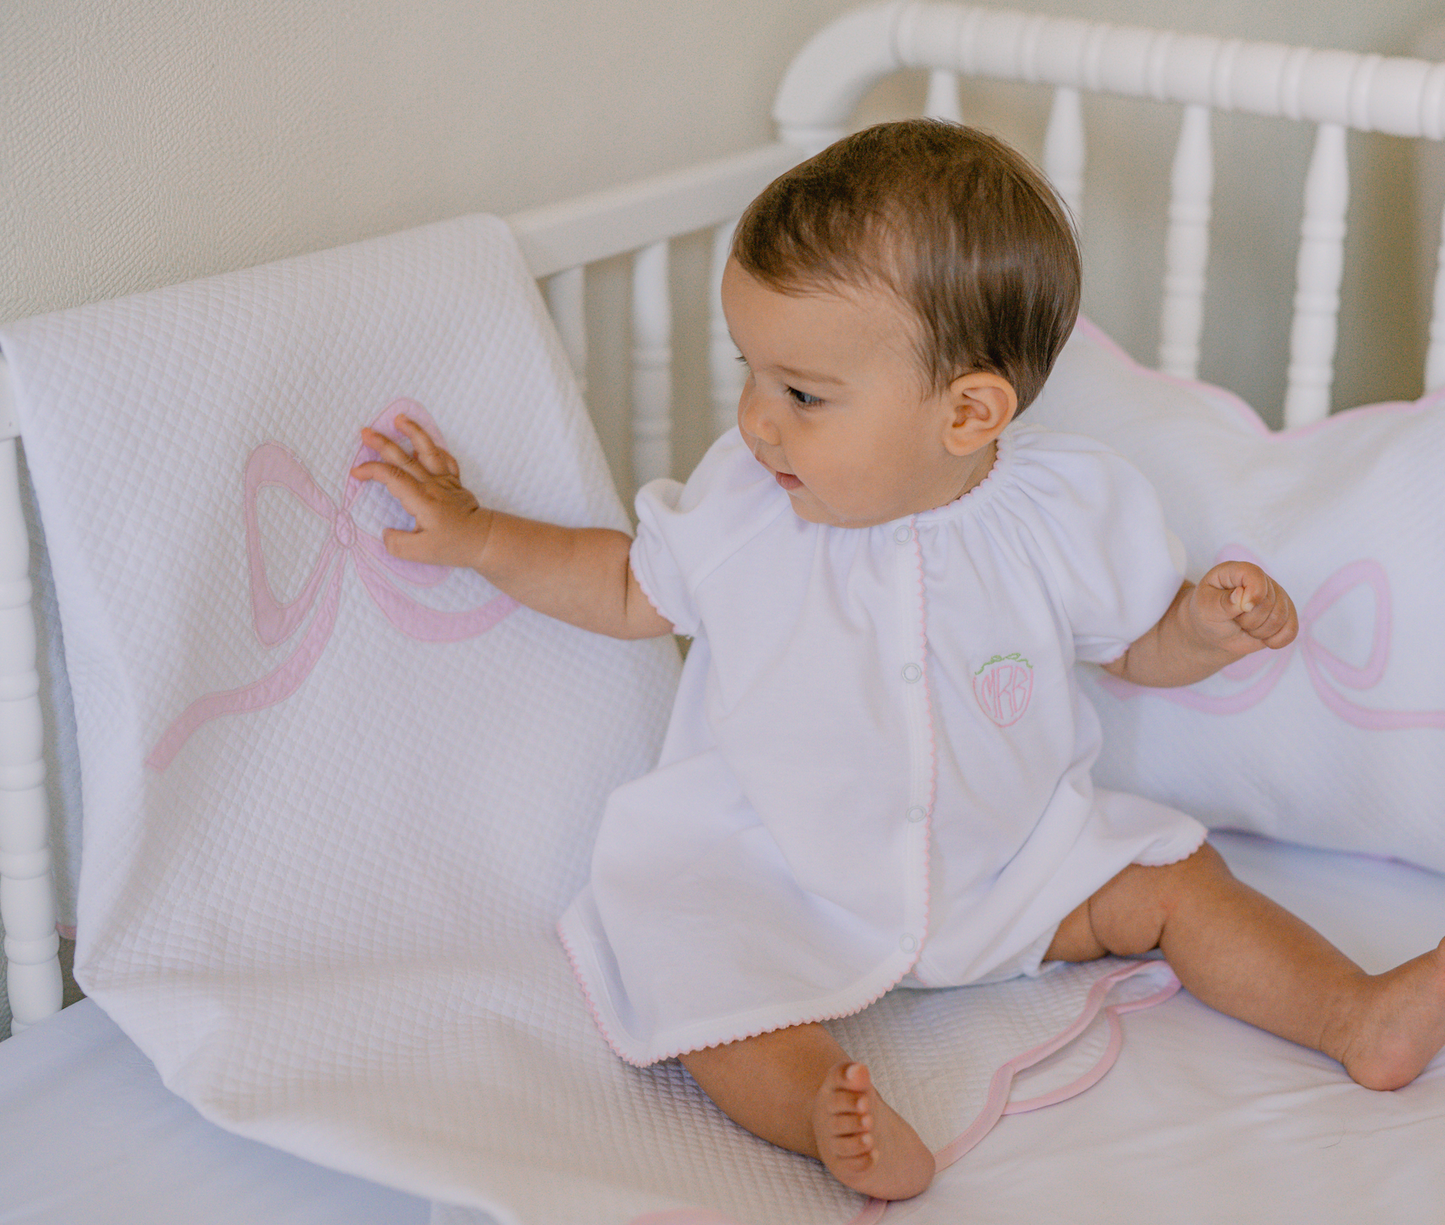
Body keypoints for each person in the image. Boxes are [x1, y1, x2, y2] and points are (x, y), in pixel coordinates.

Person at [352, 119, 1445, 1203]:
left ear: (968, 411)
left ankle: (1354, 1014)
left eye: (801, 394)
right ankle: (825, 1112)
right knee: (688, 968)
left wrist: (1202, 630)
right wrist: (480, 536)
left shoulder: (1066, 507)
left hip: (1016, 865)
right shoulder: (746, 504)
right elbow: (632, 587)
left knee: (1175, 879)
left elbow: (1135, 644)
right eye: (752, 372)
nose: (754, 421)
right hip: (781, 872)